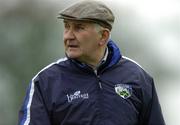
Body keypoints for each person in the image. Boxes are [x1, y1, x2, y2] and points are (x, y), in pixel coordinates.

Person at [18, 0, 165, 125]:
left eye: (79, 28)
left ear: (103, 36)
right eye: (66, 26)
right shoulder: (45, 82)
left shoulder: (138, 77)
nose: (68, 36)